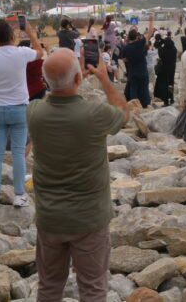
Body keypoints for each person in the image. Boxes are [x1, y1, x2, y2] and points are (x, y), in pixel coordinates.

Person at [27, 49, 129, 302]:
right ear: (77, 79)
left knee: (49, 285)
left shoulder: (34, 112)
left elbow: (52, 92)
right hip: (89, 219)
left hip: (50, 217)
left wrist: (69, 78)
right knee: (93, 288)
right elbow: (123, 113)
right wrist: (105, 81)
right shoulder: (95, 114)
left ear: (45, 81)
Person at [0, 18, 43, 208]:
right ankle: (19, 195)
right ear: (12, 36)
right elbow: (40, 52)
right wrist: (29, 32)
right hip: (19, 109)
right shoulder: (21, 53)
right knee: (18, 153)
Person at [117, 28, 150, 108]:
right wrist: (151, 20)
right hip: (143, 71)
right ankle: (146, 106)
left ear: (129, 37)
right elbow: (149, 34)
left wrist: (130, 59)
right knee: (144, 89)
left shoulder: (126, 47)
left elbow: (123, 59)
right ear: (136, 37)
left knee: (133, 90)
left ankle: (134, 106)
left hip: (132, 71)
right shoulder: (140, 43)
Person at [152, 29, 179, 107]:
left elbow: (158, 46)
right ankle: (172, 98)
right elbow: (170, 44)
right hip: (172, 70)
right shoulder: (174, 50)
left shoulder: (162, 50)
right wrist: (165, 40)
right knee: (171, 84)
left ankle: (166, 101)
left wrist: (161, 40)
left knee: (164, 85)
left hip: (164, 70)